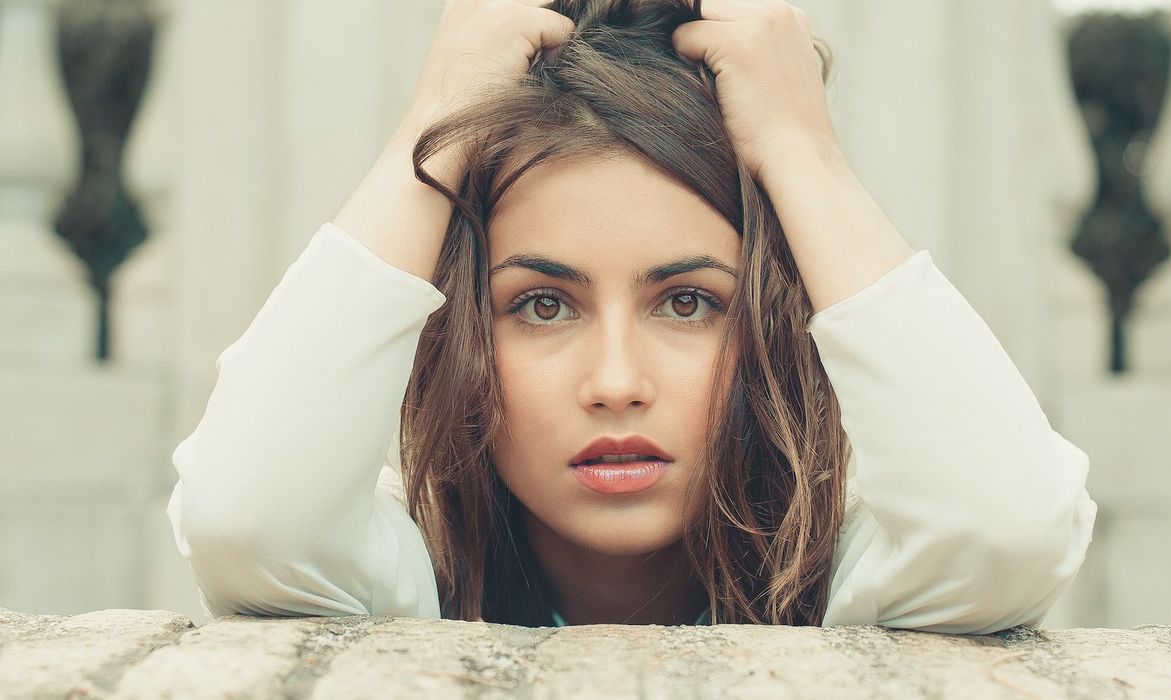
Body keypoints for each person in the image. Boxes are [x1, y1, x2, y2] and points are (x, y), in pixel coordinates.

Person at [167, 0, 1098, 632]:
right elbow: (246, 520)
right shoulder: (403, 582)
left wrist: (803, 157)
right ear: (461, 338)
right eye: (541, 305)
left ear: (776, 323)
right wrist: (436, 124)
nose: (615, 383)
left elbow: (1006, 530)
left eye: (688, 303)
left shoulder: (850, 586)